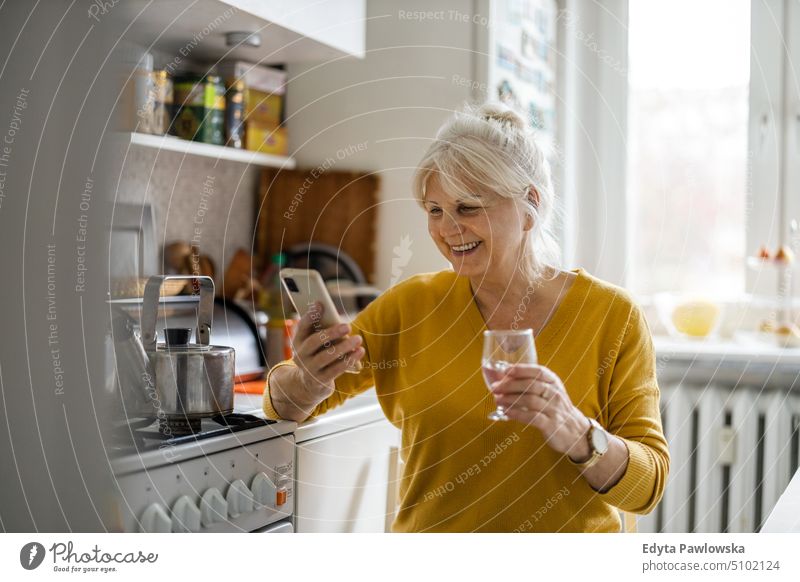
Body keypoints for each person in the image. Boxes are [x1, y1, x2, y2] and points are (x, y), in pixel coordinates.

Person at [263, 103, 669, 532]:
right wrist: (307, 379)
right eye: (435, 210)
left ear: (530, 203)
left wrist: (574, 430)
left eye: (468, 208)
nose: (447, 229)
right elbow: (284, 408)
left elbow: (648, 489)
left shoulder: (612, 315)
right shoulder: (411, 307)